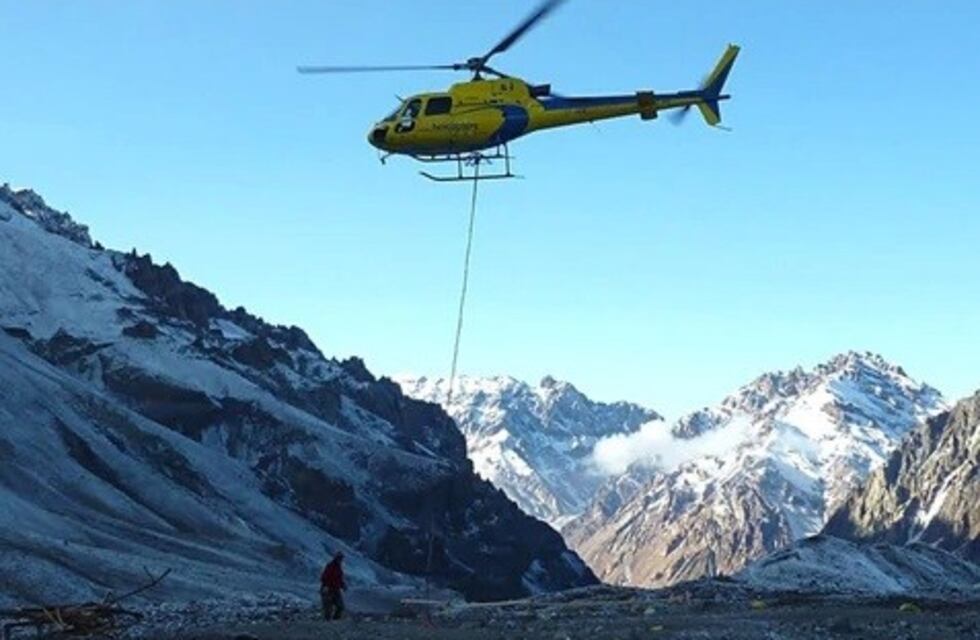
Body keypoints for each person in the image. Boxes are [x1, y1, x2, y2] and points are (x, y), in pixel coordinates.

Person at [320, 552, 346, 620]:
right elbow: (324, 577)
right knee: (328, 608)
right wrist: (326, 586)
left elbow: (339, 579)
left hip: (335, 589)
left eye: (341, 558)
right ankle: (328, 623)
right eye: (340, 558)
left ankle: (335, 620)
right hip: (328, 589)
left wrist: (343, 585)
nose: (341, 560)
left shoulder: (339, 568)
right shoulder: (330, 566)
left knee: (340, 606)